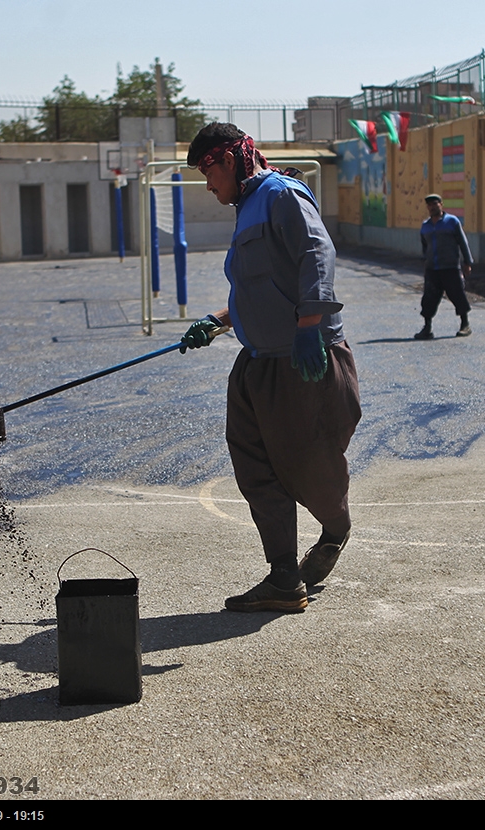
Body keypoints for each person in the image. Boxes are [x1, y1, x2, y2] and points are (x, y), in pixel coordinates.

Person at [180, 122, 362, 612]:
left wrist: (308, 324)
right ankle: (283, 575)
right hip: (256, 361)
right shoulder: (246, 209)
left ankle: (335, 528)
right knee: (254, 465)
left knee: (308, 463)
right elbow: (260, 286)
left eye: (207, 169)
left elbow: (316, 254)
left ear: (233, 157)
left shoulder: (281, 193)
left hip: (303, 359)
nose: (206, 182)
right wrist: (216, 320)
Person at [416, 194, 473, 339]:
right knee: (429, 298)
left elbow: (463, 242)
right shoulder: (425, 226)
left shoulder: (452, 222)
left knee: (457, 294)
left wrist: (467, 262)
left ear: (441, 204)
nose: (432, 207)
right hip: (432, 269)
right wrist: (425, 263)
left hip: (450, 267)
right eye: (429, 205)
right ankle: (427, 328)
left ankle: (465, 324)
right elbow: (425, 247)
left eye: (435, 204)